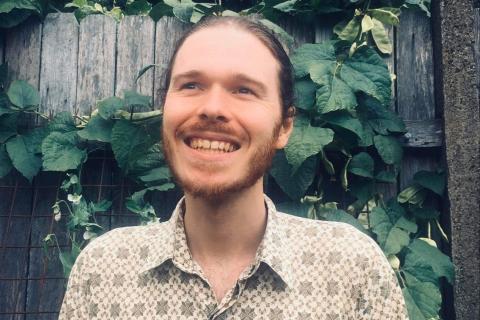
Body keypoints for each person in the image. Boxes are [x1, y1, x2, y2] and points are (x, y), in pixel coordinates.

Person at [59, 16, 408, 319]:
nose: (212, 108)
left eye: (243, 90)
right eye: (191, 85)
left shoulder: (352, 268)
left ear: (284, 127)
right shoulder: (102, 269)